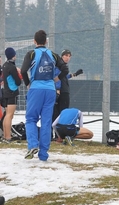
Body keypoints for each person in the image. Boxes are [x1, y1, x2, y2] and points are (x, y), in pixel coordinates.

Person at [21, 29, 69, 161]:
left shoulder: (31, 54)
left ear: (34, 41)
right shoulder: (53, 54)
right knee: (46, 122)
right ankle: (43, 154)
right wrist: (56, 79)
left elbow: (24, 70)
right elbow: (65, 69)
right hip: (50, 90)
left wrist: (27, 84)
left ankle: (32, 145)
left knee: (31, 119)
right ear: (46, 41)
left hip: (36, 89)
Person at [52, 49, 83, 141]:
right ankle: (59, 135)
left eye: (69, 56)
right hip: (61, 92)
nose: (68, 58)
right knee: (60, 113)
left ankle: (59, 135)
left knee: (60, 113)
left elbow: (64, 76)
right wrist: (57, 89)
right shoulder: (59, 65)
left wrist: (74, 74)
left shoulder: (63, 66)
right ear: (62, 56)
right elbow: (57, 77)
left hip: (64, 91)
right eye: (66, 55)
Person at [1, 47, 22, 143]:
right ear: (13, 56)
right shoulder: (12, 67)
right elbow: (18, 82)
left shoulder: (4, 65)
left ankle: (5, 135)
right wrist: (19, 73)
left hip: (6, 92)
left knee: (6, 115)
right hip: (12, 92)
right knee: (10, 115)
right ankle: (8, 136)